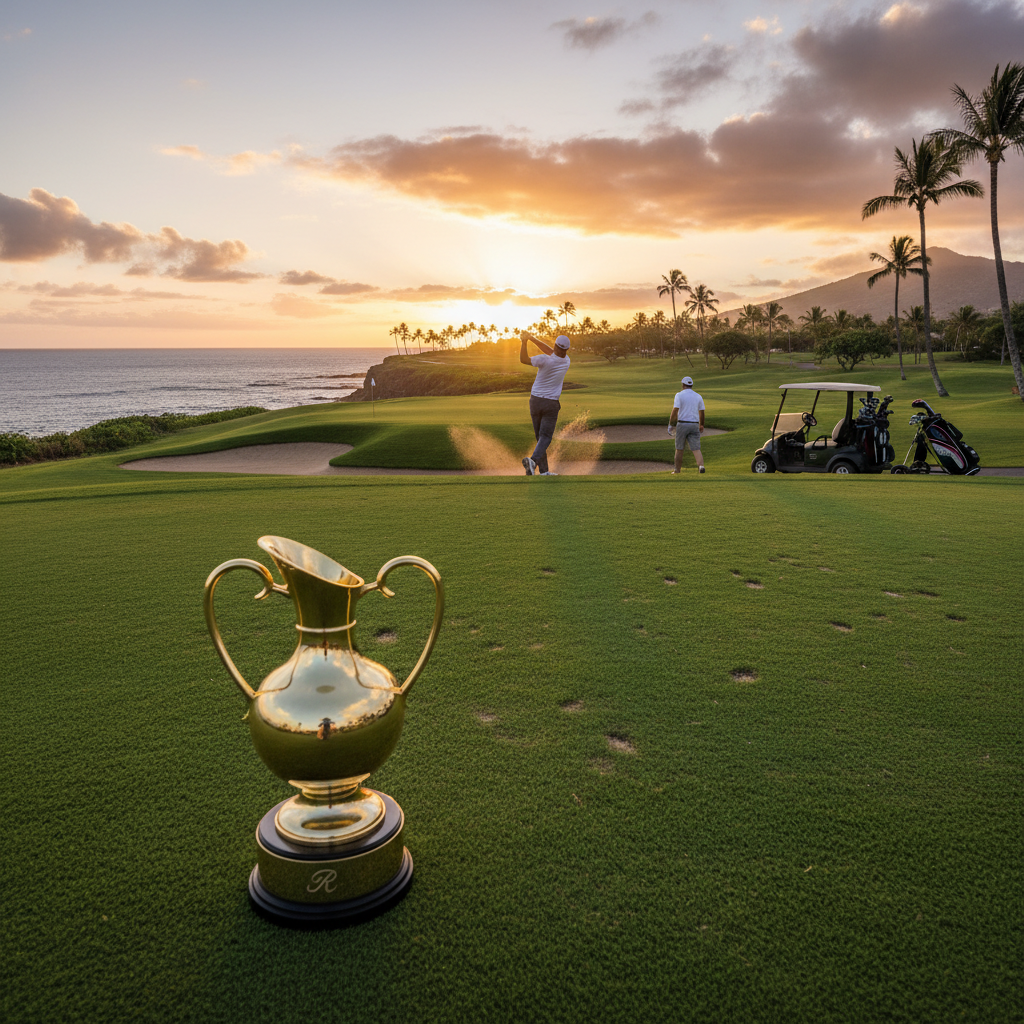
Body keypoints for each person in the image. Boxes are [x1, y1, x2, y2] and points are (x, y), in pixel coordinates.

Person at [520, 331, 571, 476]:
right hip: (551, 404)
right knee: (546, 437)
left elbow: (524, 359)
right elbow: (553, 352)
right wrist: (532, 339)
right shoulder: (567, 361)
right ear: (566, 350)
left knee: (540, 438)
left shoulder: (544, 359)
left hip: (535, 400)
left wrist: (525, 341)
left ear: (555, 345)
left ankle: (543, 471)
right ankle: (533, 461)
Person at [668, 375, 706, 474]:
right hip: (694, 424)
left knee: (679, 448)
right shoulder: (698, 396)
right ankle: (701, 466)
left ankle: (677, 470)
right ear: (692, 385)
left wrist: (671, 424)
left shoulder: (679, 395)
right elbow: (701, 412)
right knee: (696, 448)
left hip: (682, 424)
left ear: (682, 385)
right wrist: (701, 425)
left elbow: (675, 410)